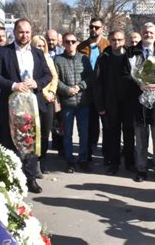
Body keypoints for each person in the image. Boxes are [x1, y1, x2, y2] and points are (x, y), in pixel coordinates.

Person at [0, 18, 52, 194]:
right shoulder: (4, 52)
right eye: (20, 32)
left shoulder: (38, 53)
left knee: (31, 144)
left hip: (32, 107)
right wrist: (13, 85)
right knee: (10, 143)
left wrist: (36, 83)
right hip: (11, 107)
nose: (24, 35)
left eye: (27, 32)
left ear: (31, 33)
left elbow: (48, 75)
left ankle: (30, 179)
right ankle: (12, 181)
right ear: (14, 33)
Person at [123, 22, 155, 183]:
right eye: (145, 32)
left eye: (151, 32)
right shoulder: (131, 52)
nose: (148, 35)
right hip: (139, 102)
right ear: (141, 33)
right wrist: (139, 84)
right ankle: (141, 169)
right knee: (141, 139)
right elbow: (125, 75)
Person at [94, 30, 135, 174]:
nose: (116, 43)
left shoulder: (131, 56)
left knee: (129, 133)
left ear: (124, 41)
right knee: (113, 134)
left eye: (119, 40)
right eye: (113, 40)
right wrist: (100, 105)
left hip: (129, 102)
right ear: (109, 41)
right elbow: (98, 82)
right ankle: (114, 163)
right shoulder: (104, 58)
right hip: (111, 102)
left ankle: (130, 162)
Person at [54, 32, 93, 173]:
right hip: (67, 104)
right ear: (63, 43)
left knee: (84, 134)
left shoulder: (84, 59)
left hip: (83, 102)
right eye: (67, 41)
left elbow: (90, 77)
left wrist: (79, 86)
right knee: (67, 134)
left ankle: (83, 160)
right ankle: (69, 161)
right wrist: (66, 90)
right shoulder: (57, 60)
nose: (70, 44)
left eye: (73, 41)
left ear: (77, 43)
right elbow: (55, 80)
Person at [77, 17, 110, 162]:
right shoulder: (81, 47)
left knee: (107, 125)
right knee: (90, 125)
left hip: (103, 92)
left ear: (103, 28)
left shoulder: (108, 45)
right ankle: (88, 154)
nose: (93, 30)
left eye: (97, 27)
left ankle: (107, 155)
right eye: (91, 27)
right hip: (87, 91)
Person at [31, 35, 59, 175]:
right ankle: (33, 162)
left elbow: (54, 78)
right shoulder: (30, 60)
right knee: (35, 132)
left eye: (43, 46)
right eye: (38, 46)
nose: (41, 48)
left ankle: (43, 160)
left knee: (45, 133)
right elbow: (33, 80)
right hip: (36, 98)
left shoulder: (48, 59)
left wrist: (52, 93)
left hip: (49, 99)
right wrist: (43, 93)